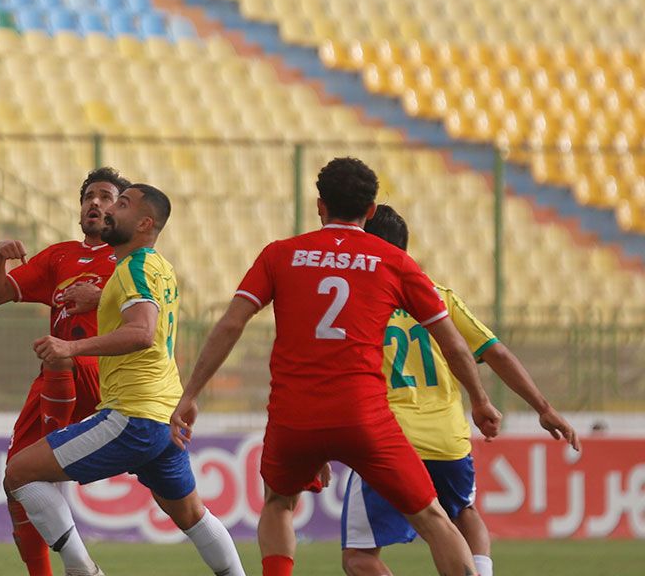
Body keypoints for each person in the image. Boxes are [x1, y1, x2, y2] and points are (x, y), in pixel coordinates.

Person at [171, 157, 503, 576]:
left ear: (319, 205)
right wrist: (480, 399)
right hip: (364, 416)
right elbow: (453, 344)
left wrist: (191, 393)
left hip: (295, 417)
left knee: (278, 503)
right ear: (370, 210)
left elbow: (231, 324)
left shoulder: (280, 254)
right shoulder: (395, 262)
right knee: (433, 518)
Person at [4, 184, 247, 576]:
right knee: (192, 515)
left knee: (19, 473)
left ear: (145, 223)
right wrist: (102, 299)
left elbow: (142, 332)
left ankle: (84, 570)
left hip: (134, 415)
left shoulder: (133, 267)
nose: (110, 209)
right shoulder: (158, 266)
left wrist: (70, 347)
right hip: (163, 416)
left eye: (122, 203)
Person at [341, 204, 581, 576]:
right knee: (464, 514)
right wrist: (543, 408)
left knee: (359, 556)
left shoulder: (355, 304)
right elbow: (496, 353)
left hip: (390, 439)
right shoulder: (438, 297)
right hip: (447, 441)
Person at [0, 167, 130, 576]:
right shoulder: (60, 256)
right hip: (58, 374)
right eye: (88, 196)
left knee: (180, 500)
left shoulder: (133, 259)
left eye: (105, 197)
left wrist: (103, 298)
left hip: (109, 377)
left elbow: (153, 316)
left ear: (122, 209)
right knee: (16, 479)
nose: (94, 203)